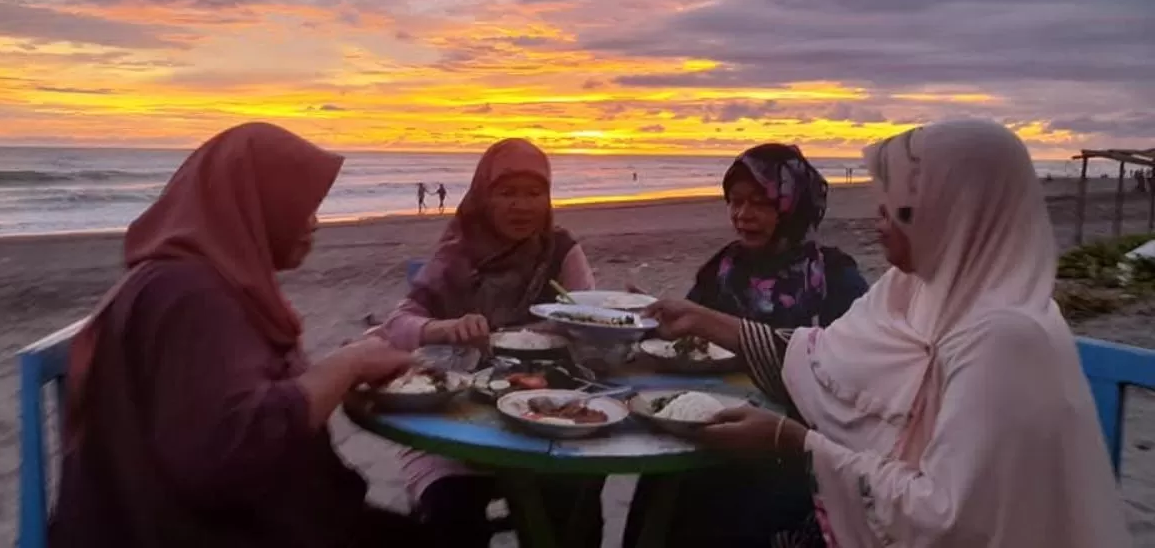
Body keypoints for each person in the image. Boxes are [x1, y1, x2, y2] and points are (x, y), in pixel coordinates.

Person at [646, 120, 1129, 547]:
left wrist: (793, 443)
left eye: (901, 206)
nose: (878, 216)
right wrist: (705, 321)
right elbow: (820, 360)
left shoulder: (1003, 338)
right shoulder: (913, 287)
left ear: (955, 215)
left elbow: (948, 519)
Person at [48, 122, 432, 548]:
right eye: (299, 207)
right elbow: (228, 455)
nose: (314, 223)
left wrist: (345, 366)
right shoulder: (189, 295)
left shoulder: (203, 280)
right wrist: (349, 364)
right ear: (252, 206)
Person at [623, 143, 868, 548]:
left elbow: (848, 371)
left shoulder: (835, 279)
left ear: (793, 204)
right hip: (706, 421)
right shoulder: (723, 268)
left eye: (760, 203)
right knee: (663, 493)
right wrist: (647, 317)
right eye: (735, 202)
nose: (743, 215)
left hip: (787, 442)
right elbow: (687, 337)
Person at [378, 138, 600, 547]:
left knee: (576, 503)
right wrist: (445, 329)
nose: (522, 206)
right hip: (456, 419)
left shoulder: (560, 250)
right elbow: (397, 324)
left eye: (534, 193)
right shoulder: (455, 255)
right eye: (507, 193)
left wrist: (591, 329)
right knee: (451, 512)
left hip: (548, 414)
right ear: (484, 196)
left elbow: (587, 317)